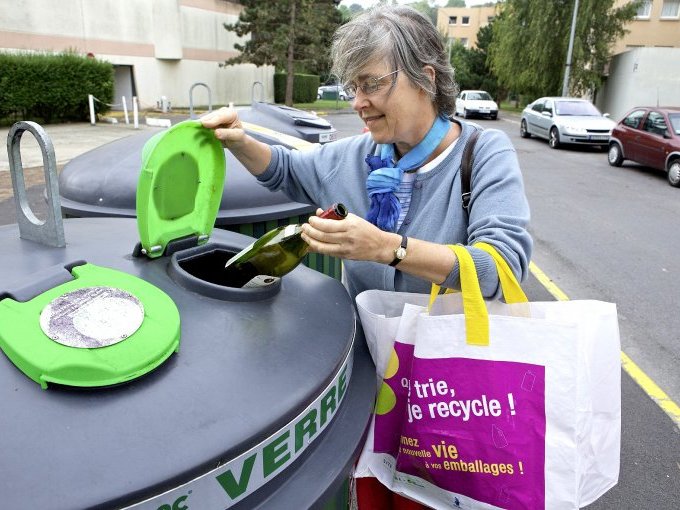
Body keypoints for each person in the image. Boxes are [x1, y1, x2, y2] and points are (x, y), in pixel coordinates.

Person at [203, 4, 531, 508]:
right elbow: (288, 171)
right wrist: (240, 140)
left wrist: (387, 248)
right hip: (372, 380)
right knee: (377, 493)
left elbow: (500, 267)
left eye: (372, 85)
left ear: (424, 77)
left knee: (443, 497)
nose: (358, 102)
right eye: (353, 88)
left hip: (455, 388)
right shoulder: (358, 156)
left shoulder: (483, 154)